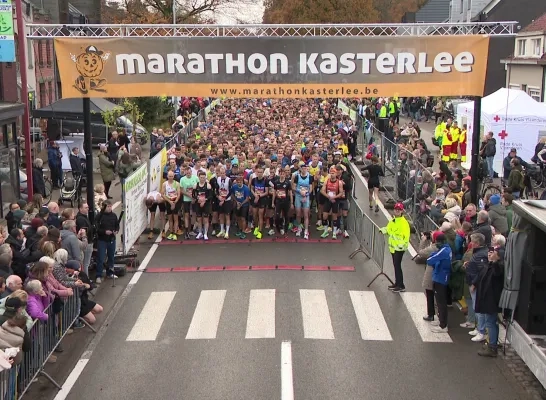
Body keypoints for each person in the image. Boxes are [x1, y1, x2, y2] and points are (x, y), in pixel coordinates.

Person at [380, 202, 410, 292]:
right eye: (396, 209)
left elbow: (406, 236)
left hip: (399, 248)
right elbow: (388, 229)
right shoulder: (393, 221)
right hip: (393, 248)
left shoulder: (404, 223)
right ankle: (397, 283)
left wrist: (402, 245)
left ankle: (401, 285)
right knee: (396, 265)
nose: (397, 211)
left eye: (399, 209)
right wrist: (382, 230)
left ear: (402, 211)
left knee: (397, 266)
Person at [426, 233, 453, 333]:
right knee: (440, 302)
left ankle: (443, 325)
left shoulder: (443, 251)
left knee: (441, 302)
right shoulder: (447, 249)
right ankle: (441, 320)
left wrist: (433, 257)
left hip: (440, 278)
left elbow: (429, 260)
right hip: (442, 276)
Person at [94, 200, 119, 283]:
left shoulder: (114, 216)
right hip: (102, 240)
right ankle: (98, 275)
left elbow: (117, 225)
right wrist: (104, 232)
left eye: (110, 206)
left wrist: (116, 231)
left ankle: (110, 273)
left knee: (111, 257)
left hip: (111, 239)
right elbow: (96, 229)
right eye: (108, 206)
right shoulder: (99, 216)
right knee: (100, 258)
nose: (109, 208)